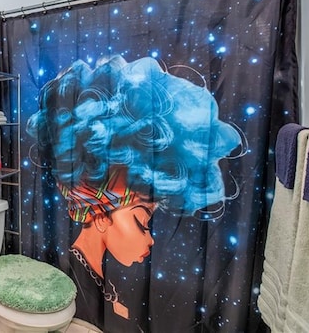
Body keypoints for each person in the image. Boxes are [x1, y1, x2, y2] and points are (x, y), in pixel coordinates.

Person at [26, 55, 241, 330]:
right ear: (101, 216)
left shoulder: (99, 284)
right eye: (143, 223)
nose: (151, 240)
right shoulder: (76, 281)